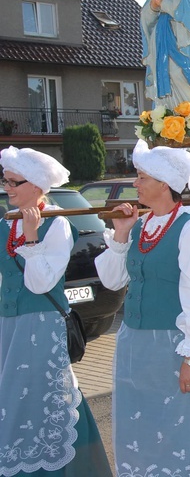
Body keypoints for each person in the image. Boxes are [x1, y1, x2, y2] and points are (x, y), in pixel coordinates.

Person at [95, 141, 190, 476]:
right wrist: (120, 236)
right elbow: (112, 280)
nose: (135, 184)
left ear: (164, 183)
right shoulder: (143, 226)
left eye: (141, 177)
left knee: (181, 432)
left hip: (173, 347)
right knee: (143, 431)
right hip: (135, 346)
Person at [0, 147, 112, 476]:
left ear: (36, 186)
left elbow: (41, 283)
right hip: (8, 323)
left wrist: (32, 239)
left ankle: (71, 466)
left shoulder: (57, 225)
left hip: (40, 325)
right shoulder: (6, 224)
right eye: (5, 180)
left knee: (46, 392)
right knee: (11, 393)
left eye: (13, 182)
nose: (7, 187)